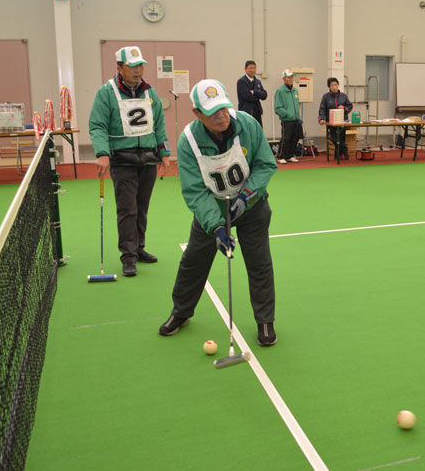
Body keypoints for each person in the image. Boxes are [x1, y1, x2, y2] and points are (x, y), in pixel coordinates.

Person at [159, 79, 279, 346]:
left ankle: (265, 320)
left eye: (224, 108)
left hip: (252, 205)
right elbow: (194, 192)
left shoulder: (248, 124)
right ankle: (181, 312)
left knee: (259, 262)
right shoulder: (188, 141)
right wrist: (217, 226)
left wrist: (246, 197)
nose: (221, 115)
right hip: (212, 206)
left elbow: (265, 165)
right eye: (212, 111)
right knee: (193, 261)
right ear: (197, 114)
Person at [89, 46, 171, 277]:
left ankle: (139, 248)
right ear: (119, 67)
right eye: (132, 66)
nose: (138, 71)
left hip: (148, 160)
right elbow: (97, 125)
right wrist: (102, 153)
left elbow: (159, 126)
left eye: (141, 66)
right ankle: (128, 256)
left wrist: (164, 153)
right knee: (128, 209)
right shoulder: (106, 93)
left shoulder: (150, 93)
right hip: (122, 160)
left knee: (142, 208)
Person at [318, 77, 353, 159]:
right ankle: (344, 150)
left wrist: (344, 108)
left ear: (338, 85)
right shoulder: (326, 96)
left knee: (341, 138)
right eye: (332, 85)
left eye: (336, 85)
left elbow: (350, 106)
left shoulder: (344, 96)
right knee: (334, 138)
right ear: (329, 87)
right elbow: (322, 108)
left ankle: (338, 155)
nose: (334, 87)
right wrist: (321, 119)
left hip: (342, 120)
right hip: (331, 121)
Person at [274, 69, 302, 164]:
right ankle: (281, 156)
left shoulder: (295, 91)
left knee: (295, 138)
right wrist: (286, 114)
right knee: (286, 138)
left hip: (296, 119)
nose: (291, 79)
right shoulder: (280, 91)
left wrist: (297, 115)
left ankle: (290, 155)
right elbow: (278, 107)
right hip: (287, 119)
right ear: (284, 78)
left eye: (292, 77)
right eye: (288, 77)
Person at [236, 60, 268, 127]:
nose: (253, 70)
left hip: (257, 112)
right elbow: (248, 96)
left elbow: (264, 95)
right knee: (248, 133)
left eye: (254, 68)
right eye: (250, 68)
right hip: (246, 112)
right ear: (245, 69)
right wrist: (258, 95)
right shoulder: (241, 82)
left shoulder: (257, 81)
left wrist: (255, 92)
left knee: (258, 132)